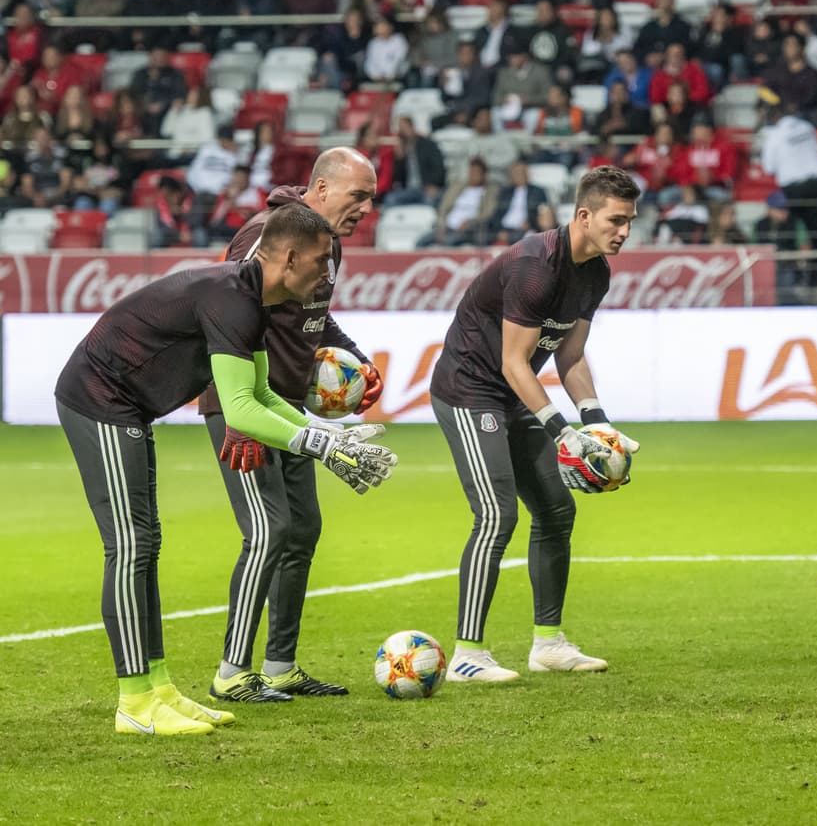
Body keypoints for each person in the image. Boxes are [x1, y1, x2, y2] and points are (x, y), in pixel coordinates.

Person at [55, 202, 398, 735]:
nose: (328, 274)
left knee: (145, 543)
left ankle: (159, 690)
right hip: (98, 398)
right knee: (129, 546)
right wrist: (323, 447)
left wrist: (332, 437)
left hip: (127, 407)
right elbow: (239, 410)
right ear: (287, 258)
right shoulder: (234, 299)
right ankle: (133, 702)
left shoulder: (252, 302)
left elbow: (262, 394)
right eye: (321, 261)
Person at [429, 165, 642, 683]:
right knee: (497, 516)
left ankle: (548, 644)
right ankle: (466, 655)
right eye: (616, 220)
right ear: (584, 215)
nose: (625, 231)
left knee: (555, 510)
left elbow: (570, 356)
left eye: (631, 221)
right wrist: (563, 433)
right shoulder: (535, 266)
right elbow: (514, 363)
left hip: (513, 395)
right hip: (469, 391)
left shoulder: (595, 272)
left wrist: (599, 425)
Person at [198, 148, 388, 703]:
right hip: (243, 410)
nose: (367, 209)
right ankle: (233, 671)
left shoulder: (327, 243)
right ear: (323, 189)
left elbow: (314, 315)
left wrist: (355, 358)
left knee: (302, 530)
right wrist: (235, 419)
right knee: (270, 530)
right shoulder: (261, 233)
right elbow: (224, 310)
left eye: (372, 198)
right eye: (359, 196)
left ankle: (280, 666)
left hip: (287, 411)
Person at [759, 88, 817, 250]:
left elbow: (768, 168)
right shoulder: (807, 127)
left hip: (793, 189)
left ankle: (798, 268)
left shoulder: (774, 135)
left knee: (794, 230)